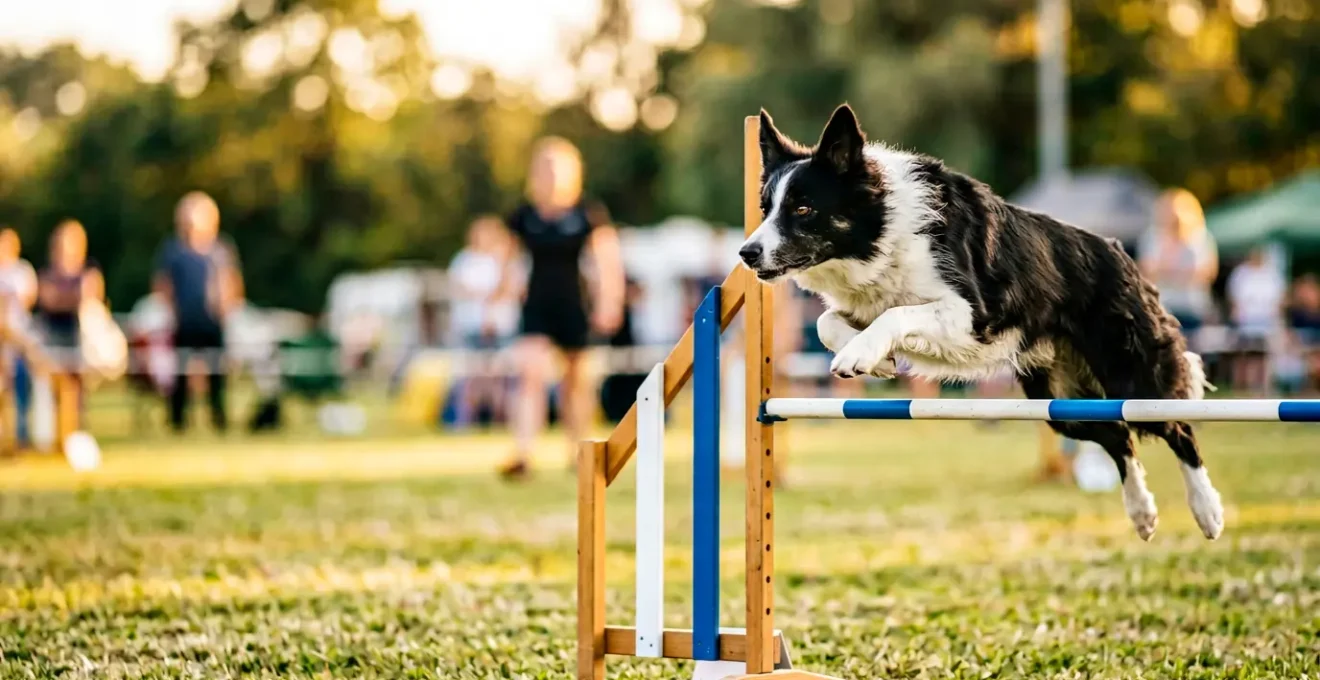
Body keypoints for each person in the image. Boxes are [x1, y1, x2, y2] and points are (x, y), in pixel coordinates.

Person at [493, 136, 625, 480]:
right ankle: (522, 452)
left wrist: (609, 302)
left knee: (576, 384)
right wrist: (496, 300)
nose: (550, 176)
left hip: (575, 305)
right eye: (544, 169)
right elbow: (506, 263)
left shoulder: (587, 213)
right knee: (531, 375)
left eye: (557, 168)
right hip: (536, 306)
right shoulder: (522, 216)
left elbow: (607, 261)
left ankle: (577, 452)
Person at [154, 192, 244, 433]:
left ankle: (219, 420)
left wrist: (227, 309)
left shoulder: (221, 249)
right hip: (184, 322)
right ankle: (177, 421)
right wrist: (170, 311)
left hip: (212, 322)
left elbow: (231, 282)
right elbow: (163, 284)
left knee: (217, 373)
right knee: (180, 374)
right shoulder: (173, 250)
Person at [448, 215, 519, 428]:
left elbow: (509, 289)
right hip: (471, 326)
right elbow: (459, 288)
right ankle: (467, 419)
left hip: (500, 326)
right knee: (471, 374)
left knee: (501, 376)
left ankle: (500, 419)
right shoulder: (464, 260)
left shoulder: (502, 259)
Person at [37, 220, 104, 428]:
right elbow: (48, 300)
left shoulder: (89, 272)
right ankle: (58, 431)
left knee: (77, 386)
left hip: (80, 337)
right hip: (52, 336)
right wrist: (74, 297)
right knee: (55, 387)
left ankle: (76, 429)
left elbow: (93, 298)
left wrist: (63, 298)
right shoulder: (47, 274)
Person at [1138, 189, 1219, 341]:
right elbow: (1147, 271)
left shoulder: (1200, 238)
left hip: (1192, 307)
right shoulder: (1151, 237)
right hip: (1162, 306)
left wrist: (1166, 271)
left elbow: (1206, 273)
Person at [1226, 246, 1286, 394]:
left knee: (1264, 358)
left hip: (1266, 324)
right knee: (1243, 356)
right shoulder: (1240, 273)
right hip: (1245, 323)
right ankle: (1241, 388)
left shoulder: (1272, 275)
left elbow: (1279, 300)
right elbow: (1233, 298)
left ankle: (1263, 388)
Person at [0, 228, 38, 448]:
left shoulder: (22, 271)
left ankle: (21, 433)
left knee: (22, 384)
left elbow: (27, 301)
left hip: (20, 338)